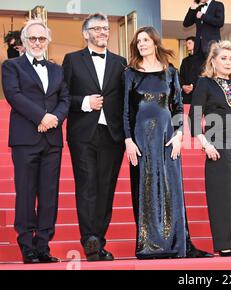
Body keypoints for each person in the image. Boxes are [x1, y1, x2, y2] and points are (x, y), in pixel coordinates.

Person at [1, 19, 70, 263]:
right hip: (25, 139)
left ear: (48, 41)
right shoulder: (11, 66)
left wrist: (54, 119)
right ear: (24, 41)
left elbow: (65, 99)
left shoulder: (57, 69)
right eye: (33, 38)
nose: (37, 42)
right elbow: (13, 95)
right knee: (26, 192)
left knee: (49, 194)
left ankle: (43, 245)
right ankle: (27, 245)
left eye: (42, 38)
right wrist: (41, 116)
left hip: (52, 140)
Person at [62, 13, 127, 262]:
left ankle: (98, 241)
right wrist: (84, 103)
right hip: (83, 134)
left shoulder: (121, 62)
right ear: (85, 33)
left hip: (113, 134)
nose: (102, 32)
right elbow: (63, 96)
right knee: (87, 187)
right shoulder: (72, 60)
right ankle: (89, 240)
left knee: (106, 189)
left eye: (105, 28)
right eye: (96, 28)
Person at [123, 26, 189, 259]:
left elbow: (179, 107)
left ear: (155, 43)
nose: (141, 44)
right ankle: (150, 244)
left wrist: (180, 134)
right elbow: (125, 111)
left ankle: (174, 243)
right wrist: (128, 140)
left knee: (170, 189)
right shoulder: (130, 73)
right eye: (138, 41)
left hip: (167, 136)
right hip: (141, 138)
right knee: (145, 188)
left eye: (145, 40)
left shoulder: (170, 72)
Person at [188, 40, 231, 257]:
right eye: (223, 58)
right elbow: (194, 117)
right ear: (213, 61)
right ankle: (225, 244)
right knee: (222, 196)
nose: (228, 62)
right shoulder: (205, 83)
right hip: (218, 145)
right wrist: (206, 144)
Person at [179, 36, 203, 104]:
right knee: (186, 114)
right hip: (186, 95)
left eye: (189, 43)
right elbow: (181, 76)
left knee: (197, 113)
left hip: (199, 94)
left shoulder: (203, 60)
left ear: (196, 44)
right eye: (187, 44)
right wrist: (183, 86)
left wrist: (193, 86)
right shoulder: (185, 61)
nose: (187, 45)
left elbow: (204, 76)